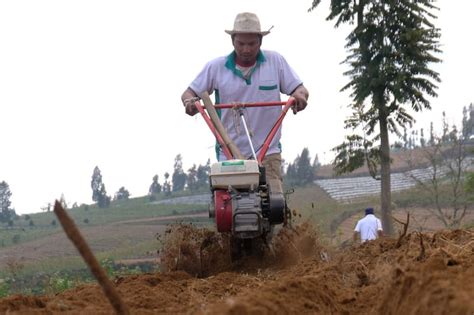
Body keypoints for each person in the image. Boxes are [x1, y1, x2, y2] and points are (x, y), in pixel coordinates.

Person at [180, 12, 309, 194]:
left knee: (274, 203)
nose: (246, 49)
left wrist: (299, 97)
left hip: (268, 150)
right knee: (226, 206)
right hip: (229, 152)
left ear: (260, 42)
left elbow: (300, 89)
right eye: (241, 44)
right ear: (233, 41)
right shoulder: (216, 67)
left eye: (252, 44)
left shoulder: (275, 62)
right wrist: (190, 102)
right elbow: (188, 93)